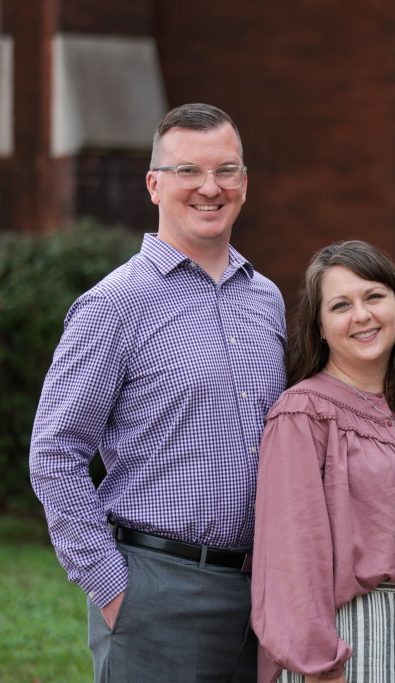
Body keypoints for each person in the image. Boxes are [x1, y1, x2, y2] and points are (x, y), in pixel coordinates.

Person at [29, 103, 286, 681]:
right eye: (187, 171)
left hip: (264, 596)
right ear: (154, 184)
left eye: (226, 170)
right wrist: (113, 587)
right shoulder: (114, 305)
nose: (209, 188)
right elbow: (54, 453)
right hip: (157, 591)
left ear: (244, 182)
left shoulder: (265, 299)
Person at [251, 240, 395, 683]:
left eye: (374, 296)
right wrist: (318, 661)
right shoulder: (302, 413)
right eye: (340, 305)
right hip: (350, 633)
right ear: (319, 326)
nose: (362, 316)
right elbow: (291, 553)